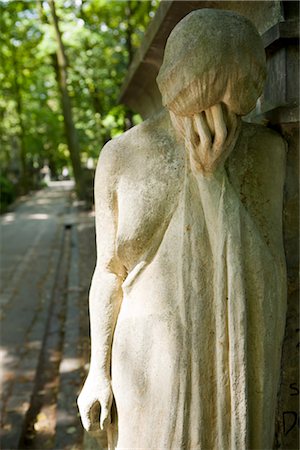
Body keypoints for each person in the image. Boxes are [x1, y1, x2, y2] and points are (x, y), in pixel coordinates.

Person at [78, 9, 286, 449]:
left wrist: (214, 185)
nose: (217, 119)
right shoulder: (122, 157)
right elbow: (108, 272)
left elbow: (272, 279)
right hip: (148, 367)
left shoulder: (264, 152)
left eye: (232, 106)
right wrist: (98, 370)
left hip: (229, 361)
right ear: (176, 86)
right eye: (204, 101)